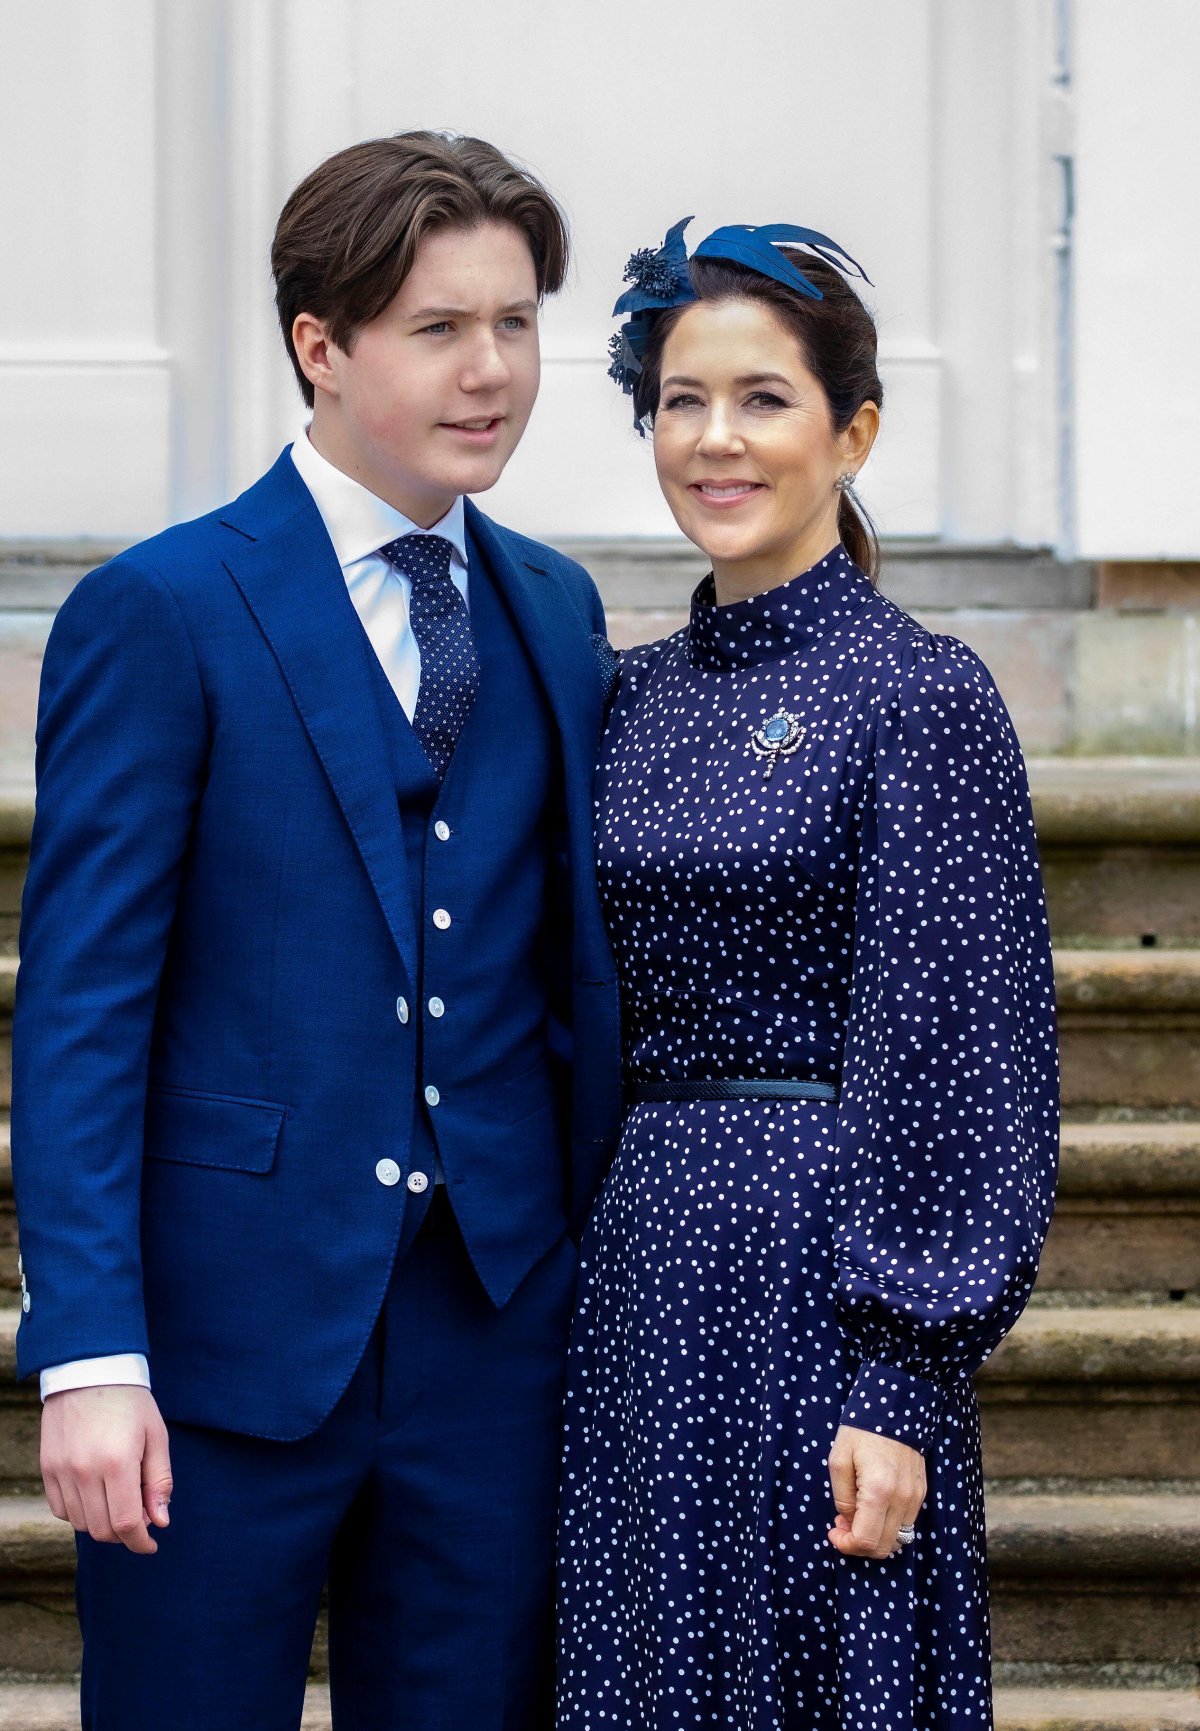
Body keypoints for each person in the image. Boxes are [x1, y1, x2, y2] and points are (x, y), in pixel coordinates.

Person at [11, 130, 621, 1730]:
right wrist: (89, 1353)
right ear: (321, 346)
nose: (493, 371)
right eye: (439, 328)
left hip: (494, 1340)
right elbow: (81, 1012)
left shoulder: (556, 609)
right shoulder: (163, 609)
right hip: (222, 1349)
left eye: (516, 323)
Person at [557, 218, 1059, 1730]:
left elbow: (966, 1053)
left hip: (821, 1281)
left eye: (763, 399)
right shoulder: (625, 697)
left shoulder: (920, 697)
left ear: (855, 433)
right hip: (640, 1275)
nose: (715, 439)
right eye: (682, 401)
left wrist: (902, 1377)